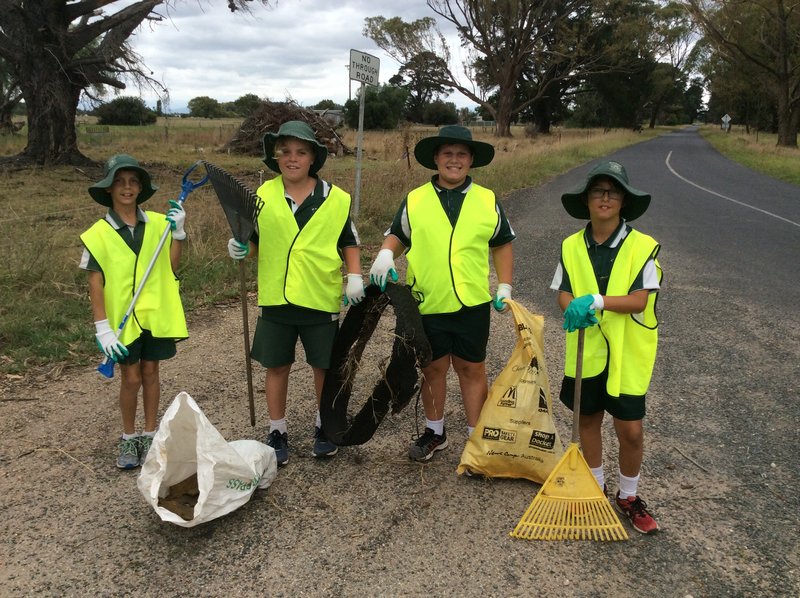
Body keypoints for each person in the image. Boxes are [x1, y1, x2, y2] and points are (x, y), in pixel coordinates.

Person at [368, 125, 515, 462]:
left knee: (471, 369)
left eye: (461, 153)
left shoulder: (487, 200)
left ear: (471, 160)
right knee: (433, 369)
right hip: (427, 301)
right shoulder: (415, 199)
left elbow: (502, 242)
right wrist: (386, 253)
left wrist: (504, 284)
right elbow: (397, 235)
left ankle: (477, 438)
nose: (454, 160)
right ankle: (435, 432)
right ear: (435, 158)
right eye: (447, 153)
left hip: (471, 303)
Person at [227, 120, 364, 466]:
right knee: (277, 366)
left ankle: (324, 426)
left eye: (300, 152)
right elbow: (255, 241)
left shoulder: (336, 198)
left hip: (319, 297)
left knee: (324, 368)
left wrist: (355, 275)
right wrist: (243, 249)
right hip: (277, 298)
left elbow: (347, 240)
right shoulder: (262, 196)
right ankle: (277, 431)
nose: (292, 158)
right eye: (285, 152)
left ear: (313, 158)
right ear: (276, 157)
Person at [551, 159, 662, 534]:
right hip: (587, 348)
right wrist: (572, 308)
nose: (605, 197)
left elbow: (639, 300)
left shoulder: (643, 247)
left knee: (629, 429)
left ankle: (628, 495)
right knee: (587, 419)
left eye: (613, 192)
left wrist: (597, 302)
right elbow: (564, 292)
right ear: (586, 200)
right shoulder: (570, 245)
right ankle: (595, 486)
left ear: (624, 201)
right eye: (598, 191)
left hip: (628, 354)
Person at [80, 154, 188, 469]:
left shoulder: (158, 223)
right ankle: (129, 438)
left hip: (153, 315)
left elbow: (171, 266)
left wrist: (178, 235)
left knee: (151, 372)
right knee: (130, 377)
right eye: (120, 182)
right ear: (109, 188)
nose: (127, 188)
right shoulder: (96, 234)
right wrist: (103, 327)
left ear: (140, 188)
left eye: (133, 181)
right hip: (121, 321)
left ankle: (150, 434)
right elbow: (95, 282)